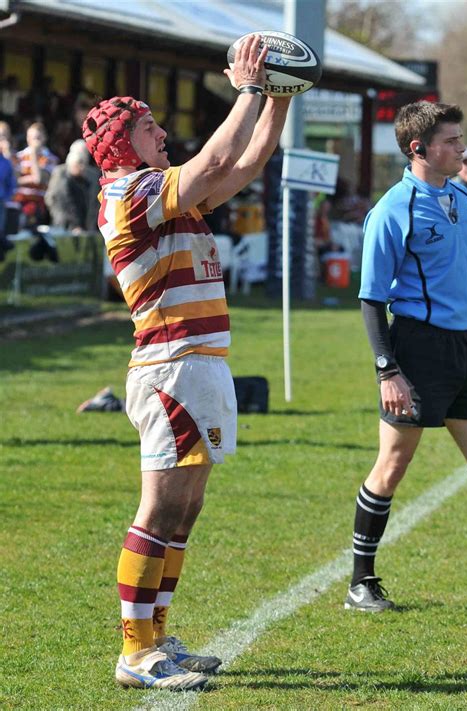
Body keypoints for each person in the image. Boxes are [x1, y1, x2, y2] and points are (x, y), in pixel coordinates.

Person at [82, 35, 292, 691]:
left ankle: (158, 634)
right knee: (158, 509)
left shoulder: (162, 190)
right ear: (121, 143)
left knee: (185, 509)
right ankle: (135, 650)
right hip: (170, 366)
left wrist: (278, 99)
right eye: (149, 127)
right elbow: (216, 157)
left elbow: (248, 162)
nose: (163, 132)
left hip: (200, 363)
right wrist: (250, 90)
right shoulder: (127, 192)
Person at [344, 101, 467, 613]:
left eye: (461, 139)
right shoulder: (394, 208)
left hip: (466, 347)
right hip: (418, 350)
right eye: (450, 141)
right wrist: (387, 370)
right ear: (418, 149)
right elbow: (372, 298)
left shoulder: (462, 198)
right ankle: (360, 582)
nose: (461, 147)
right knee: (393, 465)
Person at [12, 122, 59, 229]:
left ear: (44, 138)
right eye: (32, 137)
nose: (35, 141)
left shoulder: (51, 159)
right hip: (19, 201)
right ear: (27, 138)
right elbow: (14, 180)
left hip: (39, 204)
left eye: (38, 137)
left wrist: (33, 155)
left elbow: (39, 179)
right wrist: (30, 178)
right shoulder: (19, 157)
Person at [45, 143, 99, 233]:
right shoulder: (61, 175)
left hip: (84, 226)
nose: (83, 167)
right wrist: (74, 225)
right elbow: (63, 202)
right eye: (80, 163)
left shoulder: (86, 178)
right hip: (66, 225)